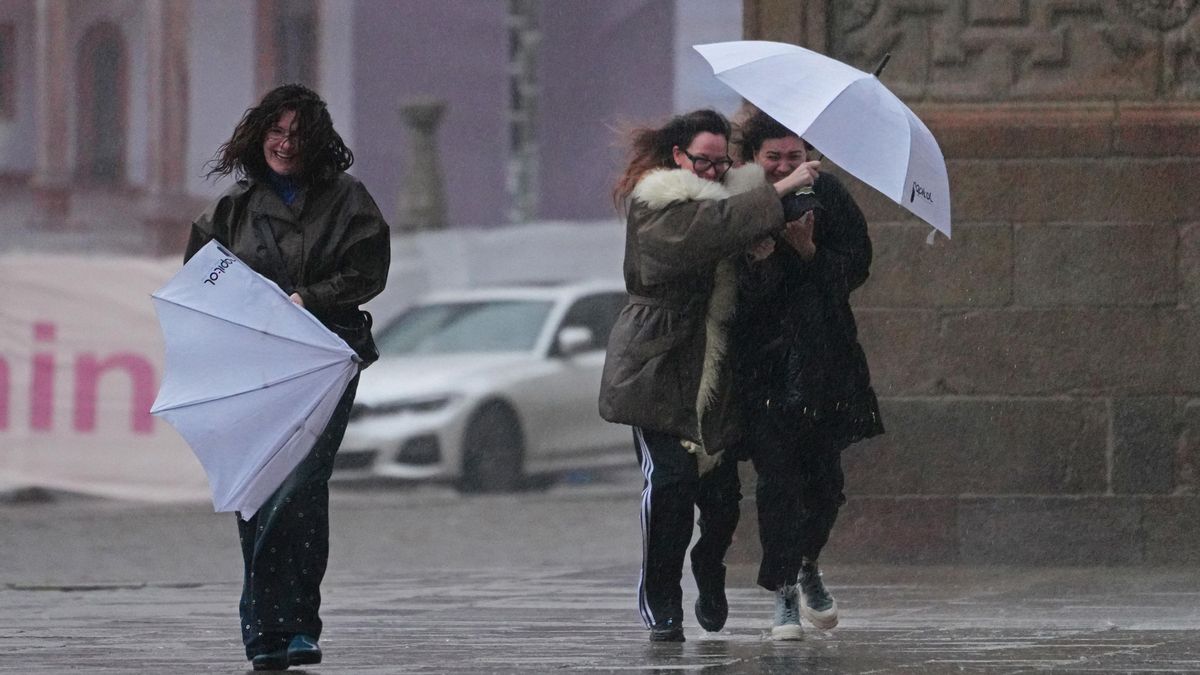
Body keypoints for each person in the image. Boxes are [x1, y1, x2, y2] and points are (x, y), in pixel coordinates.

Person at [184, 84, 390, 670]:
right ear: (260, 137)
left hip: (326, 359)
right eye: (276, 131)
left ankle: (284, 622)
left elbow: (369, 271)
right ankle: (274, 632)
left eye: (297, 134)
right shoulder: (232, 209)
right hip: (255, 364)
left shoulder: (349, 200)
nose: (285, 143)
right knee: (259, 487)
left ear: (317, 141)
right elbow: (200, 280)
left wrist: (310, 298)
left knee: (300, 483)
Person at [599, 109, 819, 642]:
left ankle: (709, 565)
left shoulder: (735, 205)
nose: (714, 172)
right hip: (658, 365)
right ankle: (662, 602)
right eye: (704, 161)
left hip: (717, 369)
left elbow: (751, 282)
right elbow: (697, 236)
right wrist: (779, 188)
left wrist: (764, 256)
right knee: (670, 484)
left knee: (721, 501)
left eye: (722, 163)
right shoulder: (657, 201)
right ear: (679, 156)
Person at [731, 110, 884, 640]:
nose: (783, 165)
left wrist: (811, 252)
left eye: (794, 156)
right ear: (754, 158)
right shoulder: (740, 202)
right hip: (764, 367)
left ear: (810, 156)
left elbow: (856, 267)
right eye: (772, 157)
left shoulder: (830, 195)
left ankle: (807, 563)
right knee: (779, 483)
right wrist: (761, 257)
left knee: (826, 486)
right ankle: (783, 594)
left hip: (824, 362)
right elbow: (734, 289)